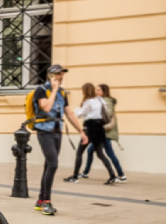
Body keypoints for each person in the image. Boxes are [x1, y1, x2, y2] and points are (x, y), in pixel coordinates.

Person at [32, 64, 88, 216]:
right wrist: (54, 89)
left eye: (62, 74)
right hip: (44, 132)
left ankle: (40, 200)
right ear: (50, 75)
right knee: (53, 164)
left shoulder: (62, 93)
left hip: (57, 132)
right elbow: (46, 108)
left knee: (48, 165)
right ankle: (46, 201)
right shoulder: (41, 90)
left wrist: (81, 131)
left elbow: (69, 114)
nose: (61, 77)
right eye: (58, 74)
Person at [64, 83, 117, 185]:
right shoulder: (100, 100)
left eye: (83, 90)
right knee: (101, 154)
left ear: (86, 91)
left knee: (79, 152)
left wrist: (78, 107)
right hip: (100, 128)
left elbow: (79, 114)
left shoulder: (88, 102)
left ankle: (75, 176)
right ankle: (112, 175)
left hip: (90, 128)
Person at [82, 84, 126, 182]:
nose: (96, 92)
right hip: (100, 132)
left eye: (98, 90)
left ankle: (121, 175)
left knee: (109, 153)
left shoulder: (107, 101)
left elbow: (107, 114)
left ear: (103, 91)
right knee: (90, 151)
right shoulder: (100, 101)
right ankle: (85, 172)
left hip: (104, 133)